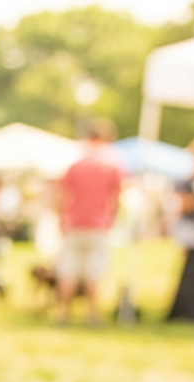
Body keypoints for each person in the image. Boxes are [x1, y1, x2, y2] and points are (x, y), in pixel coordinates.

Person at [56, 119, 122, 325]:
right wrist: (112, 220)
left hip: (74, 224)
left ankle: (63, 313)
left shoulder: (76, 166)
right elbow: (116, 198)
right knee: (95, 271)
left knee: (68, 269)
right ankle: (92, 313)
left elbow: (61, 196)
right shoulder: (111, 167)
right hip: (99, 225)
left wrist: (61, 218)